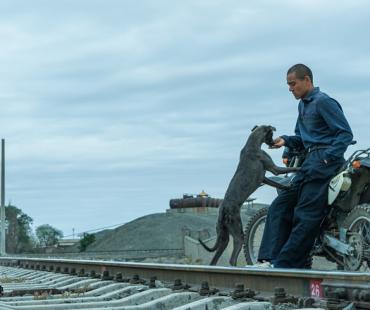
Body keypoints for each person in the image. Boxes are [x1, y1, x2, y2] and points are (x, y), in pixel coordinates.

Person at [256, 64, 353, 268]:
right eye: (288, 85)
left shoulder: (323, 102)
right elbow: (301, 138)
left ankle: (285, 265)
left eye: (293, 84)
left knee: (305, 214)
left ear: (307, 80)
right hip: (307, 162)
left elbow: (345, 134)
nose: (290, 88)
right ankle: (269, 259)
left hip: (324, 163)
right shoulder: (303, 105)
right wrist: (285, 140)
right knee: (280, 205)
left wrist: (327, 158)